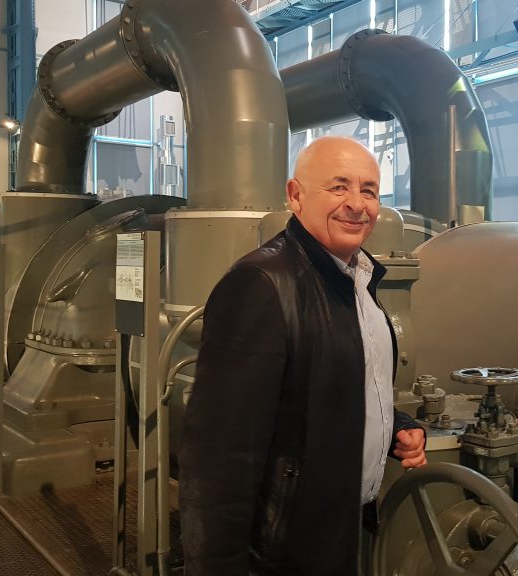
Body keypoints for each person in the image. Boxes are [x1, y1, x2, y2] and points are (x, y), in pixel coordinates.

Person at [179, 136, 427, 575]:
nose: (357, 204)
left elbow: (333, 386)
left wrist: (393, 427)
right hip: (283, 550)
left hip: (339, 529)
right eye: (339, 187)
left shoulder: (358, 278)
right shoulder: (261, 284)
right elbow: (218, 461)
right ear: (296, 195)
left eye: (369, 190)